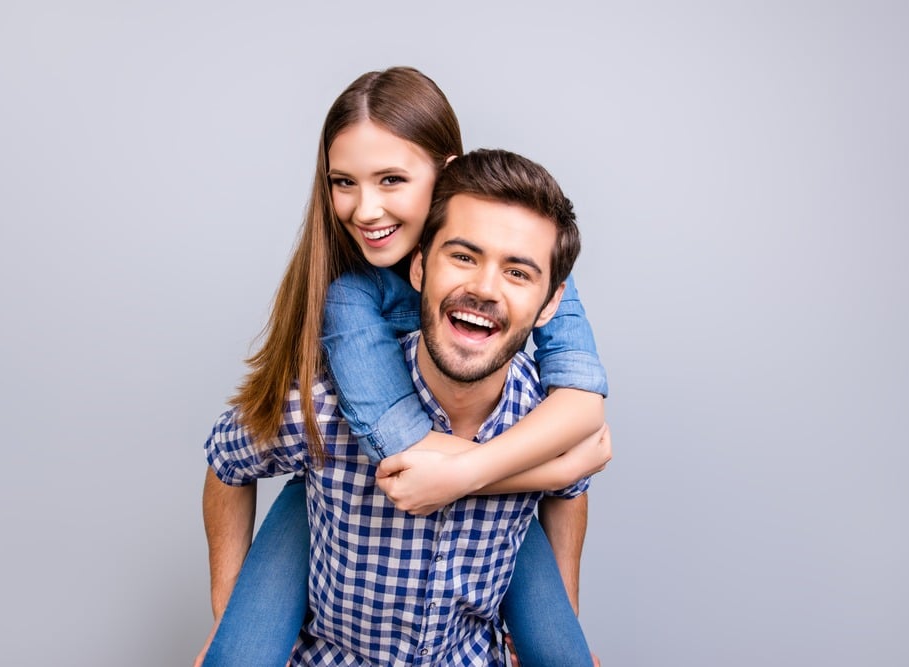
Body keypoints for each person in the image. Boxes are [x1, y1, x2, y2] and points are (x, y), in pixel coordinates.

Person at [198, 67, 609, 665]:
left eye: (391, 179)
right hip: (349, 465)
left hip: (462, 476)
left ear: (445, 175)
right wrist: (543, 472)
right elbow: (401, 445)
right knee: (236, 655)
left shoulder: (537, 276)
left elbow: (583, 401)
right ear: (421, 270)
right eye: (344, 182)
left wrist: (550, 470)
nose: (366, 210)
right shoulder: (350, 300)